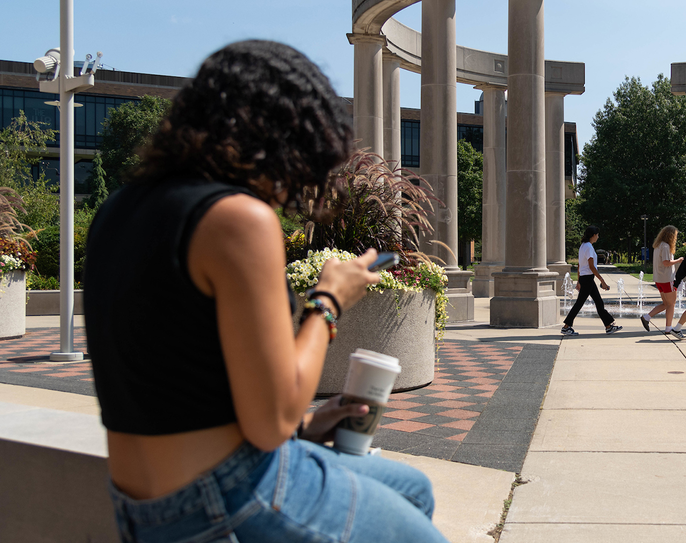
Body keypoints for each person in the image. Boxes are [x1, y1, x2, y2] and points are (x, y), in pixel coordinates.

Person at [84, 41, 449, 542]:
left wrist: (309, 425)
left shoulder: (118, 209)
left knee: (413, 488)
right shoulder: (237, 218)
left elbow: (177, 379)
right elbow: (272, 421)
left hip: (142, 501)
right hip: (226, 494)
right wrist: (329, 300)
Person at [561, 226, 622, 335]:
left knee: (599, 303)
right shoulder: (588, 247)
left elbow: (580, 265)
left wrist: (579, 281)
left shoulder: (583, 246)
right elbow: (591, 267)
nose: (598, 237)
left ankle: (608, 326)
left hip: (586, 279)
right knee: (580, 304)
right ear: (593, 235)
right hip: (588, 279)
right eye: (597, 235)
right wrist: (602, 281)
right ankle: (566, 326)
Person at [640, 225, 683, 332]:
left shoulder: (658, 245)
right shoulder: (665, 247)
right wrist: (678, 260)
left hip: (659, 279)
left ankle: (647, 317)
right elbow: (666, 262)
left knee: (666, 304)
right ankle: (668, 328)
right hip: (667, 279)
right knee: (671, 304)